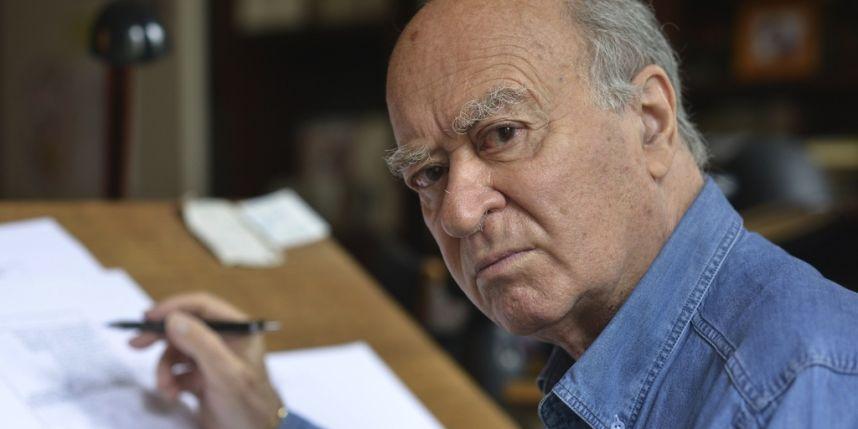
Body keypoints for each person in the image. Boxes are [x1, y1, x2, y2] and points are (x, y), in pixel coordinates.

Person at [132, 0, 858, 428]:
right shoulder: (623, 352)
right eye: (428, 172)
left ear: (650, 121)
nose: (456, 211)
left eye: (502, 134)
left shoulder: (791, 392)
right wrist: (267, 418)